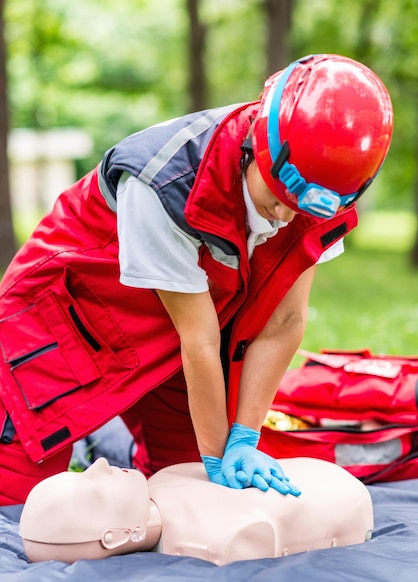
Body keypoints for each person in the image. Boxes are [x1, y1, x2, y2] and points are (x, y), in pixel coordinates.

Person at [0, 53, 393, 505]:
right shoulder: (165, 181)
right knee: (19, 504)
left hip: (174, 332)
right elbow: (200, 337)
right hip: (68, 317)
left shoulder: (323, 192)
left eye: (299, 209)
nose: (285, 217)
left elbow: (284, 322)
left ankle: (113, 445)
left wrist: (244, 437)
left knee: (184, 487)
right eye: (276, 198)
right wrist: (216, 454)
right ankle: (90, 435)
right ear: (257, 147)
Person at [19, 457, 374, 565]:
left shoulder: (162, 478)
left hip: (331, 481)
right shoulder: (218, 540)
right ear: (113, 538)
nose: (97, 464)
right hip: (341, 497)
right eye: (92, 490)